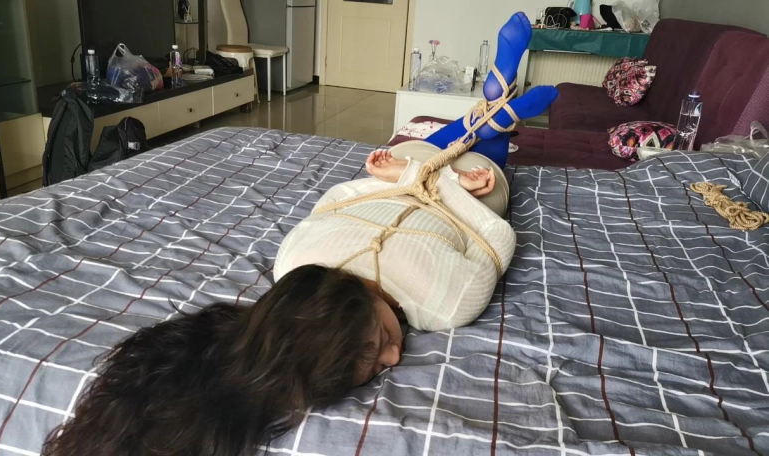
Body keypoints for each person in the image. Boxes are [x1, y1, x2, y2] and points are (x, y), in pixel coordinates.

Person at [43, 13, 558, 456]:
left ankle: (493, 107)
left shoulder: (297, 262)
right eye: (380, 362)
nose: (394, 357)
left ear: (349, 296)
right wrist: (454, 188)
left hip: (398, 178)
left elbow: (334, 200)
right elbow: (495, 239)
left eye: (381, 340)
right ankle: (497, 114)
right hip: (466, 198)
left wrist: (392, 178)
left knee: (416, 147)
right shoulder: (446, 303)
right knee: (481, 169)